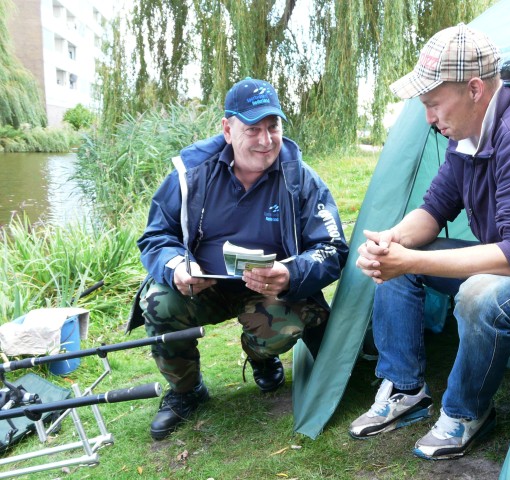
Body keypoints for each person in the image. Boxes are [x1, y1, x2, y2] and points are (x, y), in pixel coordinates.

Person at [349, 23, 510, 459]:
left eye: (433, 104)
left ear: (475, 89)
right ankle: (405, 389)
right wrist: (391, 242)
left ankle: (467, 414)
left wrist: (410, 260)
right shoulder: (465, 136)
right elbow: (434, 209)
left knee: (480, 294)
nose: (429, 118)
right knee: (397, 262)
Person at [126, 77, 349, 440]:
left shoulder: (301, 179)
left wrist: (290, 273)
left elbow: (332, 248)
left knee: (287, 322)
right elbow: (156, 236)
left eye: (273, 126)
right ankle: (187, 390)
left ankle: (262, 356)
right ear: (228, 130)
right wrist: (177, 266)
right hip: (204, 286)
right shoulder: (190, 173)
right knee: (158, 301)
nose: (266, 140)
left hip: (268, 288)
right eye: (253, 129)